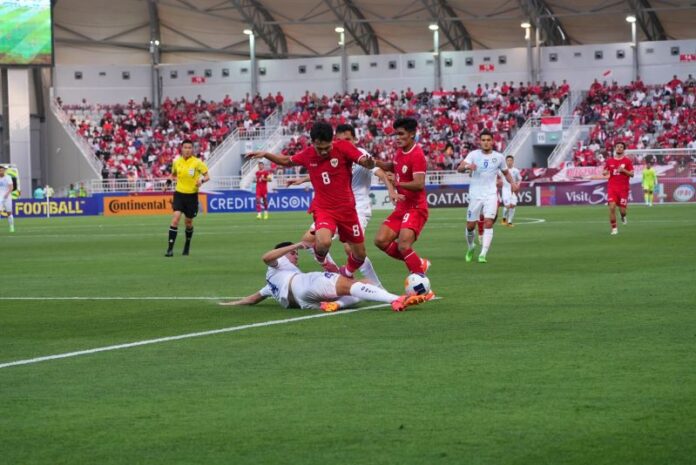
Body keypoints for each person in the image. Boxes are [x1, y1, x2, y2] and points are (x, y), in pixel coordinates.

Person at [247, 121, 375, 278]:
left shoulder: (344, 147)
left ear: (332, 140)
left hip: (348, 210)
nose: (322, 152)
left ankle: (345, 272)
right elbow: (286, 161)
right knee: (324, 242)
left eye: (326, 148)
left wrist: (368, 163)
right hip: (324, 208)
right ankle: (322, 258)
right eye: (319, 148)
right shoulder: (308, 154)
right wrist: (266, 154)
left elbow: (363, 160)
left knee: (359, 255)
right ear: (312, 142)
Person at [286, 123, 395, 287]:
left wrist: (391, 190)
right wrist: (304, 179)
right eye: (341, 139)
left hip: (357, 206)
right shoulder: (335, 151)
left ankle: (376, 286)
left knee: (350, 249)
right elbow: (326, 173)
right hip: (334, 205)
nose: (345, 142)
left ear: (355, 139)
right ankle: (335, 272)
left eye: (349, 139)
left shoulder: (361, 154)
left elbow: (379, 172)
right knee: (308, 240)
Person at [219, 241, 433, 312]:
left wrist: (230, 304)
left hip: (303, 302)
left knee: (362, 286)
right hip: (302, 286)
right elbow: (266, 257)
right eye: (294, 254)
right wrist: (294, 246)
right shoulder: (279, 263)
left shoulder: (272, 282)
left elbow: (253, 298)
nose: (296, 257)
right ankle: (395, 299)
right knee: (352, 285)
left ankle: (338, 305)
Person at [374, 118, 431, 276]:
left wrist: (397, 183)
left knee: (403, 246)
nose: (397, 138)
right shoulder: (399, 152)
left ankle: (422, 284)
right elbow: (393, 166)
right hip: (402, 207)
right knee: (381, 240)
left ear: (412, 134)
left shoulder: (417, 154)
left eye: (401, 134)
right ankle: (418, 263)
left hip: (416, 208)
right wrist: (376, 163)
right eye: (395, 134)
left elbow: (419, 184)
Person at [458, 130, 519, 263]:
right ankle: (471, 247)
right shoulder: (473, 155)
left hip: (491, 195)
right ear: (480, 141)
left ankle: (483, 254)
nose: (486, 142)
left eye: (488, 140)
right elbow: (459, 168)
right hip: (475, 195)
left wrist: (513, 183)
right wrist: (468, 166)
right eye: (483, 140)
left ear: (492, 141)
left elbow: (506, 173)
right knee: (470, 226)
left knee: (488, 222)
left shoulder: (499, 157)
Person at [165, 139, 210, 257]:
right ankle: (170, 249)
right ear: (182, 148)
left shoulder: (197, 162)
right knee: (175, 219)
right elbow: (173, 174)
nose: (187, 150)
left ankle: (187, 244)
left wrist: (201, 181)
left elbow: (207, 176)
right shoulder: (177, 162)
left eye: (190, 148)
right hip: (179, 194)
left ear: (192, 149)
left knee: (188, 223)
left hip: (191, 196)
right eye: (185, 147)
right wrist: (168, 183)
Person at [603, 141, 634, 235]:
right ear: (615, 149)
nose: (619, 148)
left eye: (621, 147)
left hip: (623, 188)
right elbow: (605, 170)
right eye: (617, 147)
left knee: (623, 211)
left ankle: (623, 216)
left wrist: (623, 170)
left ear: (623, 149)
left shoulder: (627, 161)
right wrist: (604, 172)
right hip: (612, 187)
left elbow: (632, 174)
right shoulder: (609, 161)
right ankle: (614, 228)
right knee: (612, 207)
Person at [501, 155, 522, 227]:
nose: (509, 162)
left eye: (511, 160)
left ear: (513, 161)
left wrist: (517, 185)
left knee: (513, 205)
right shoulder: (503, 170)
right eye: (508, 160)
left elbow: (519, 179)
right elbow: (497, 177)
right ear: (506, 162)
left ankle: (509, 222)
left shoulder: (516, 170)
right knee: (507, 206)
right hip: (505, 190)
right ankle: (504, 219)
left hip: (513, 190)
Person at [0, 165, 16, 232]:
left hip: (7, 197)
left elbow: (11, 187)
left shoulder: (8, 177)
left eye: (2, 170)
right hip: (0, 197)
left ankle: (11, 226)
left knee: (9, 212)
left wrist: (7, 193)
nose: (1, 171)